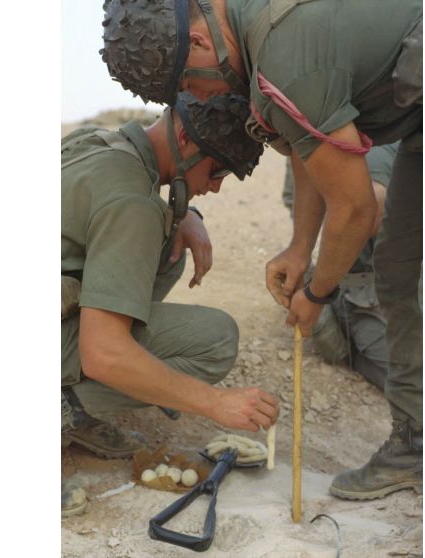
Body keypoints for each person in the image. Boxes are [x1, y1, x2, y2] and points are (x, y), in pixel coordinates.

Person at [100, 0, 422, 501]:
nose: (199, 95)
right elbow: (308, 141)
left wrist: (316, 293)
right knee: (400, 276)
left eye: (187, 83)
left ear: (201, 43)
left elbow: (358, 208)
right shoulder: (260, 37)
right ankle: (418, 447)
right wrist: (299, 247)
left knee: (415, 277)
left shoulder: (283, 52)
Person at [61, 92, 279, 516]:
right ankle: (63, 409)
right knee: (214, 339)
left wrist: (183, 216)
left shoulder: (96, 142)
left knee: (166, 240)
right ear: (184, 136)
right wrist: (216, 403)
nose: (215, 186)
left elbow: (110, 204)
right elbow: (103, 355)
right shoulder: (132, 203)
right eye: (217, 170)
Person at [283, 144, 398, 390]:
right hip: (358, 288)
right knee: (411, 383)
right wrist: (317, 291)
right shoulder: (365, 145)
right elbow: (369, 210)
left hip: (377, 281)